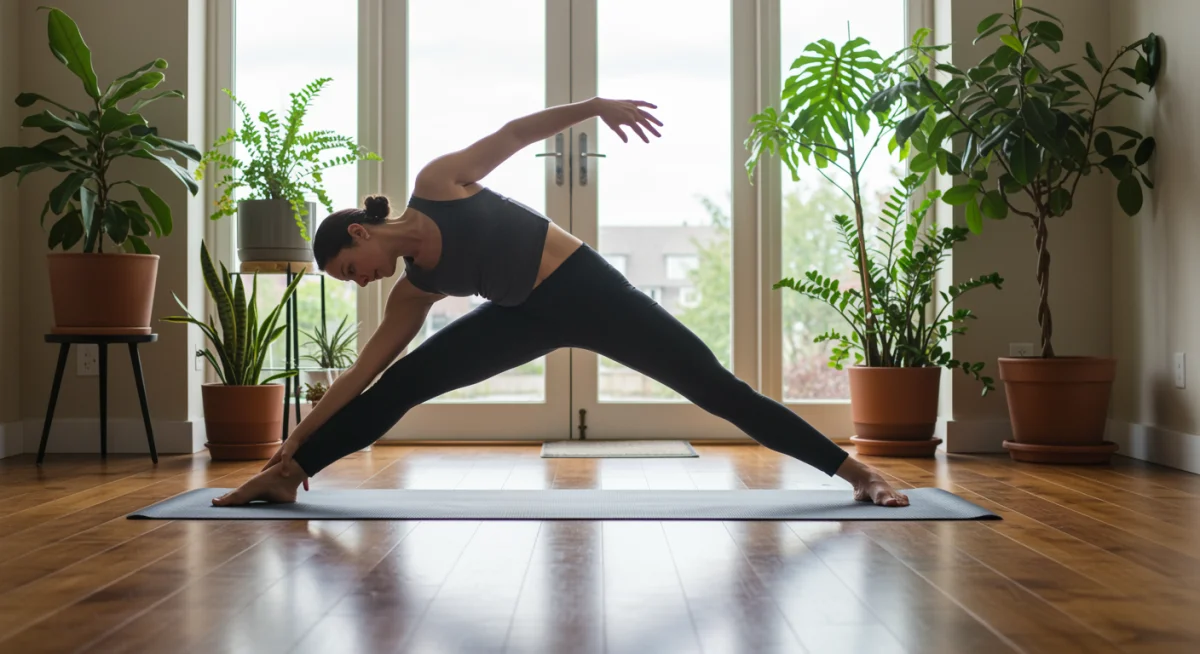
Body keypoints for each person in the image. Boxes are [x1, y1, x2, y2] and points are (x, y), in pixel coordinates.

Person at [212, 97, 910, 508]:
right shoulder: (413, 292)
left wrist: (596, 106)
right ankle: (289, 478)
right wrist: (294, 441)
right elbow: (361, 376)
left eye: (350, 269)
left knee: (714, 388)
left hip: (589, 291)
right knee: (405, 382)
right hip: (522, 316)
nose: (360, 283)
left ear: (360, 232)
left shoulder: (438, 182)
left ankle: (858, 472)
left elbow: (514, 135)